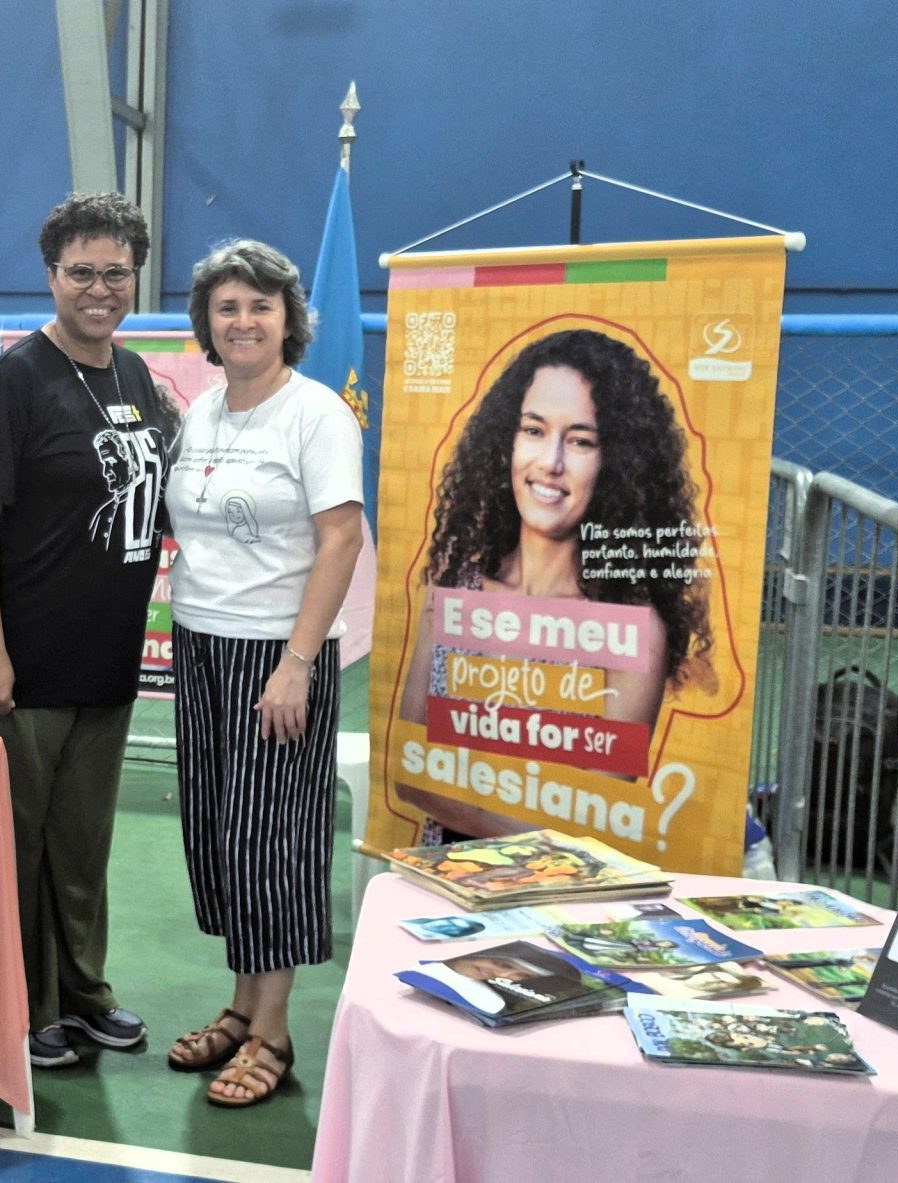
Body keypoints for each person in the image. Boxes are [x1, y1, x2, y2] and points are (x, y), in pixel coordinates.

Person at [0, 193, 176, 1069]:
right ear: (51, 276)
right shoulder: (14, 383)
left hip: (108, 657)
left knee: (82, 844)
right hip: (26, 659)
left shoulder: (136, 377)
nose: (99, 288)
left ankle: (85, 994)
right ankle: (24, 1008)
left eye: (116, 273)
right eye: (81, 271)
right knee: (18, 845)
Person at [157, 240, 363, 1107]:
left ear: (288, 319)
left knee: (271, 839)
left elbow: (342, 537)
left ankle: (272, 1031)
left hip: (276, 655)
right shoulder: (202, 413)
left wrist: (297, 664)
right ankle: (242, 1007)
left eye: (260, 306)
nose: (243, 322)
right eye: (227, 307)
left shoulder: (316, 414)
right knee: (220, 834)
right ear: (206, 322)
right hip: (200, 645)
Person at [396, 327, 716, 838]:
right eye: (533, 430)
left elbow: (595, 821)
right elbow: (408, 772)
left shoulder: (634, 630)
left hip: (559, 882)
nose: (551, 462)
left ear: (617, 463)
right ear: (505, 441)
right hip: (442, 873)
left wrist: (460, 799)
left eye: (581, 440)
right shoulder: (454, 586)